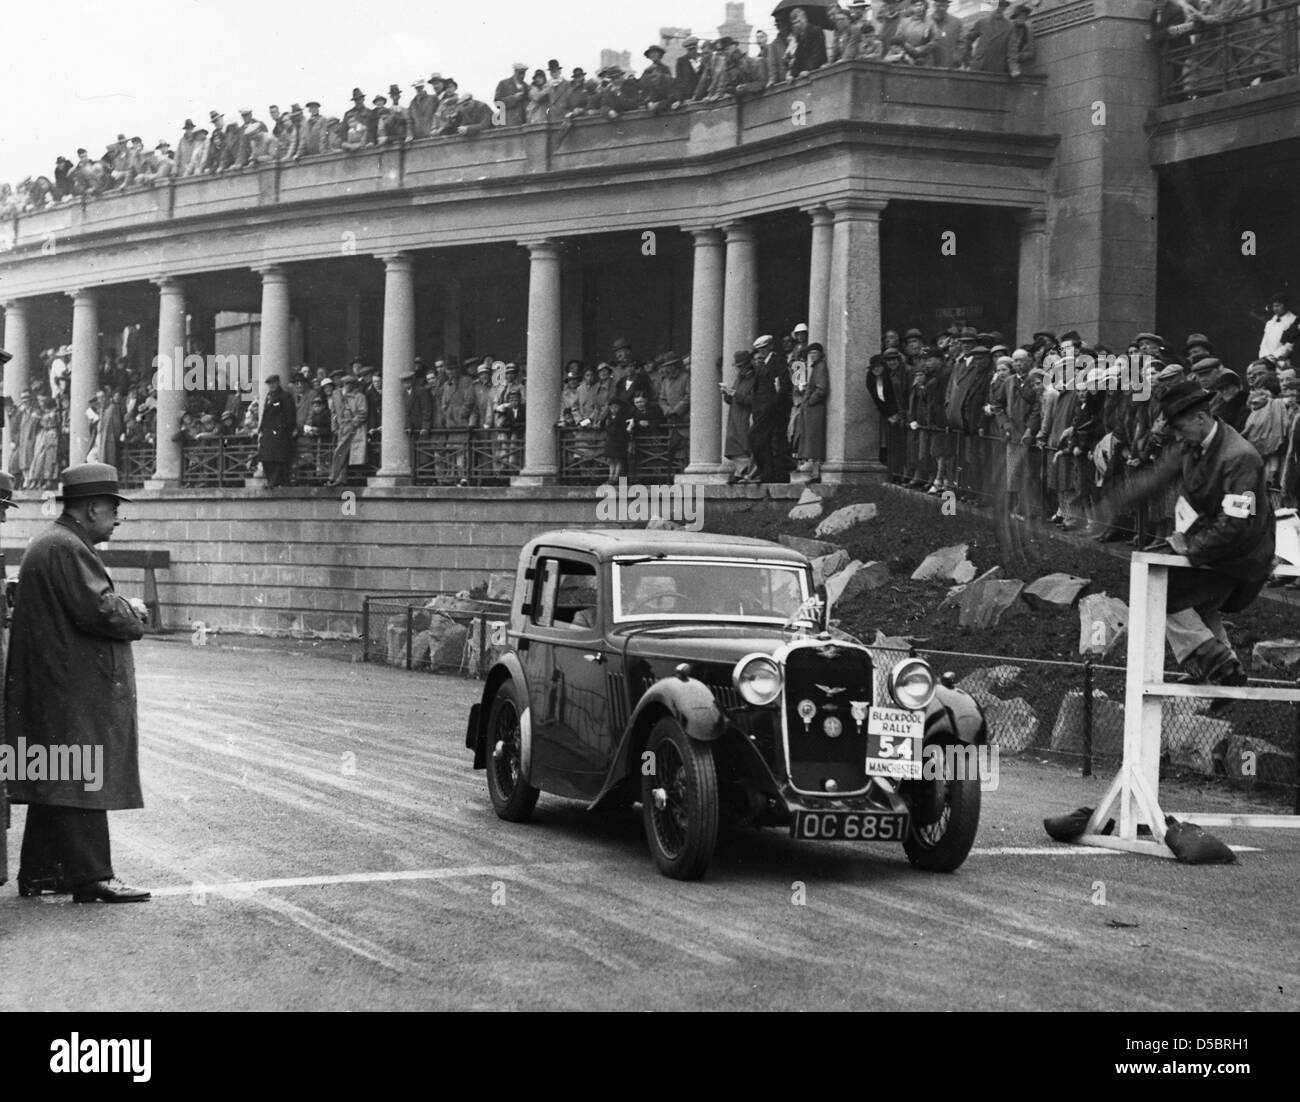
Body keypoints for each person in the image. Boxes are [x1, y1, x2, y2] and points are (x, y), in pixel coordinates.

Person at [5, 463, 151, 901]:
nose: (117, 516)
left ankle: (42, 873)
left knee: (59, 777)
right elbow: (101, 610)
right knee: (82, 778)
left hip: (54, 687)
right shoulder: (67, 547)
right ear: (90, 509)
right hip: (70, 692)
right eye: (112, 507)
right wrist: (134, 611)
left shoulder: (55, 543)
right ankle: (93, 877)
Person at [1122, 379, 1276, 696]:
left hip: (1241, 557)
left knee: (1164, 592)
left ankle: (1218, 665)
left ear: (1201, 419)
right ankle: (1222, 666)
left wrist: (1190, 549)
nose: (1176, 437)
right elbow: (1159, 475)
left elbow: (1237, 527)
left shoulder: (1239, 457)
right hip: (1216, 546)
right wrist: (1118, 499)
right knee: (1186, 597)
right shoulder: (1194, 445)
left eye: (1179, 428)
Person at [326, 375, 369, 486]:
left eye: (349, 383)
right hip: (342, 428)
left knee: (340, 452)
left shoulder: (359, 397)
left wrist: (353, 424)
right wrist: (334, 426)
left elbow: (363, 413)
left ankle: (333, 477)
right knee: (342, 453)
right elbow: (334, 413)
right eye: (345, 383)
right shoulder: (338, 395)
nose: (347, 386)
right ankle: (341, 478)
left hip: (354, 430)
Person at [257, 374, 298, 488]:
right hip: (268, 432)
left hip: (280, 432)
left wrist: (286, 428)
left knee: (278, 459)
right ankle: (271, 480)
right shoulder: (269, 396)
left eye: (273, 383)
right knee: (265, 458)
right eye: (270, 384)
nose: (272, 386)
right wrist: (261, 429)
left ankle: (274, 481)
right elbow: (265, 415)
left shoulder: (285, 396)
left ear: (278, 383)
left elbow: (290, 415)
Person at [795, 342, 829, 482]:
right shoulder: (816, 367)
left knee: (814, 440)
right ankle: (814, 472)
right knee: (811, 439)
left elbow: (821, 389)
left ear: (820, 353)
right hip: (811, 409)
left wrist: (809, 402)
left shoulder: (820, 367)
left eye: (815, 352)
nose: (812, 355)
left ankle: (815, 473)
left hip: (815, 409)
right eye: (810, 353)